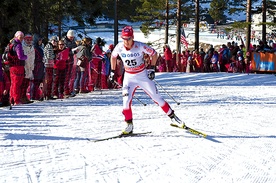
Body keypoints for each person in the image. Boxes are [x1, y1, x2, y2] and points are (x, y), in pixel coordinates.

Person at [109, 26, 184, 135]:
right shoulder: (119, 47)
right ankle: (129, 125)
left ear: (132, 37)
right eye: (124, 39)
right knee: (125, 102)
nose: (126, 42)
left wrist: (152, 68)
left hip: (142, 76)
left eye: (128, 39)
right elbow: (113, 57)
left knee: (157, 97)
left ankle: (173, 117)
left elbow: (154, 54)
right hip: (129, 77)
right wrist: (112, 71)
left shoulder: (139, 46)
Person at [8, 31, 27, 105]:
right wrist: (26, 56)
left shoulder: (11, 43)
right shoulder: (18, 45)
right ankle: (16, 100)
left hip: (12, 66)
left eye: (23, 37)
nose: (22, 38)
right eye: (20, 37)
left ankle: (12, 99)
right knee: (17, 84)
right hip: (18, 66)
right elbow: (20, 57)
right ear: (16, 36)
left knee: (13, 83)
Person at [43, 35, 58, 100]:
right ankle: (47, 94)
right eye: (53, 41)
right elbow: (49, 56)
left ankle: (48, 94)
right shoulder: (49, 47)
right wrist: (55, 56)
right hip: (47, 65)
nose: (54, 42)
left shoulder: (51, 47)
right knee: (48, 80)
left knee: (50, 80)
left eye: (56, 41)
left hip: (49, 65)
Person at [21, 34, 35, 104]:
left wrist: (32, 67)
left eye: (30, 40)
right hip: (25, 67)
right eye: (27, 40)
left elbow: (33, 58)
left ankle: (24, 96)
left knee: (27, 84)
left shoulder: (32, 47)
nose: (29, 41)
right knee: (23, 83)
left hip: (30, 67)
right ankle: (21, 97)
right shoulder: (22, 47)